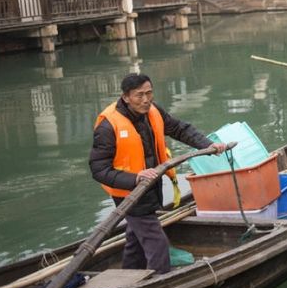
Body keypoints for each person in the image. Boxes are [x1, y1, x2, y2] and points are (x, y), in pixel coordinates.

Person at [89, 73, 225, 274]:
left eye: (149, 93)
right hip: (129, 194)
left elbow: (179, 129)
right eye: (139, 95)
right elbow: (99, 169)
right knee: (157, 243)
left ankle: (128, 276)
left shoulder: (153, 111)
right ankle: (159, 282)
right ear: (126, 97)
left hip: (151, 186)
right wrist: (135, 178)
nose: (145, 100)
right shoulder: (108, 126)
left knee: (135, 239)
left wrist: (208, 144)